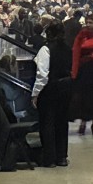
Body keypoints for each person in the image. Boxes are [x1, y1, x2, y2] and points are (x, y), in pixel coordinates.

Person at [31, 21, 72, 167]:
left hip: (50, 88)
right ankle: (61, 157)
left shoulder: (45, 49)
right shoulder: (68, 48)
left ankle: (49, 159)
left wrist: (35, 94)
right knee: (62, 122)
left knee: (47, 123)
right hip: (66, 87)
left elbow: (42, 75)